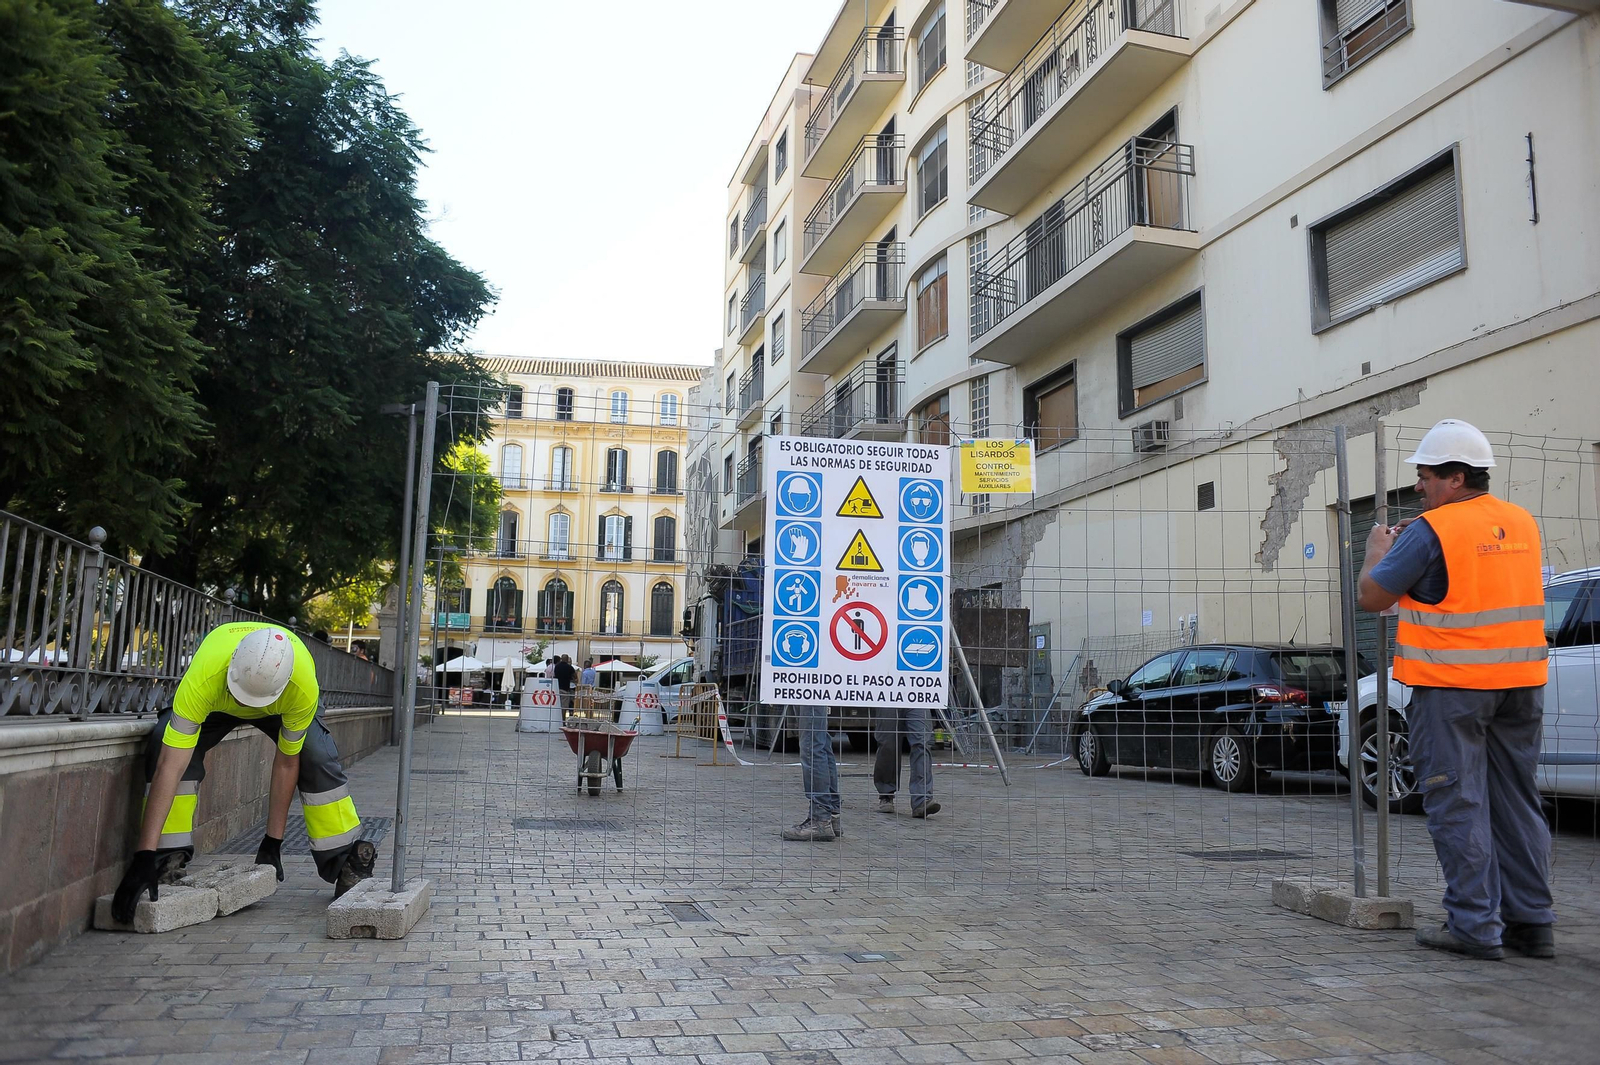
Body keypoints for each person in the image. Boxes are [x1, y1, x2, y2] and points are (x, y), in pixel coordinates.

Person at [1358, 419, 1553, 961]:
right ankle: (1532, 925)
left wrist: (1376, 550)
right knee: (1517, 803)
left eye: (1425, 477)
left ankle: (1474, 926)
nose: (1418, 487)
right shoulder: (1521, 521)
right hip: (1522, 684)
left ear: (1456, 477)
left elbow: (1372, 596)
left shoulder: (1431, 529)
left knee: (1456, 802)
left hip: (1452, 687)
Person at [112, 622, 376, 921]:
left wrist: (273, 841)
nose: (246, 705)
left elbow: (287, 762)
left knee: (316, 755)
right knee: (164, 740)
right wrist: (143, 854)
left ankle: (345, 859)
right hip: (218, 700)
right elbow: (170, 764)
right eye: (242, 697)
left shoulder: (300, 686)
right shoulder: (205, 674)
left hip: (279, 705)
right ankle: (163, 857)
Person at [781, 704, 842, 842]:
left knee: (811, 744)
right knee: (820, 742)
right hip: (816, 692)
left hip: (809, 692)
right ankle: (831, 815)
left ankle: (820, 819)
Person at [873, 704, 940, 818]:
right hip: (888, 698)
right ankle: (886, 794)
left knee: (922, 743)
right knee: (888, 744)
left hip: (919, 698)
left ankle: (922, 799)